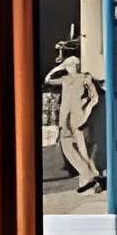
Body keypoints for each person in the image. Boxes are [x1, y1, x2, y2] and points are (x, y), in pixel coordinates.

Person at [45, 47, 104, 194]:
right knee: (69, 149)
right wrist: (61, 66)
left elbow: (94, 97)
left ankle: (93, 178)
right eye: (71, 65)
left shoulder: (85, 78)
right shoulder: (65, 79)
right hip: (65, 120)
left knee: (84, 152)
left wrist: (87, 111)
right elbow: (48, 80)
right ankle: (88, 176)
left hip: (78, 119)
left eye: (73, 65)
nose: (73, 67)